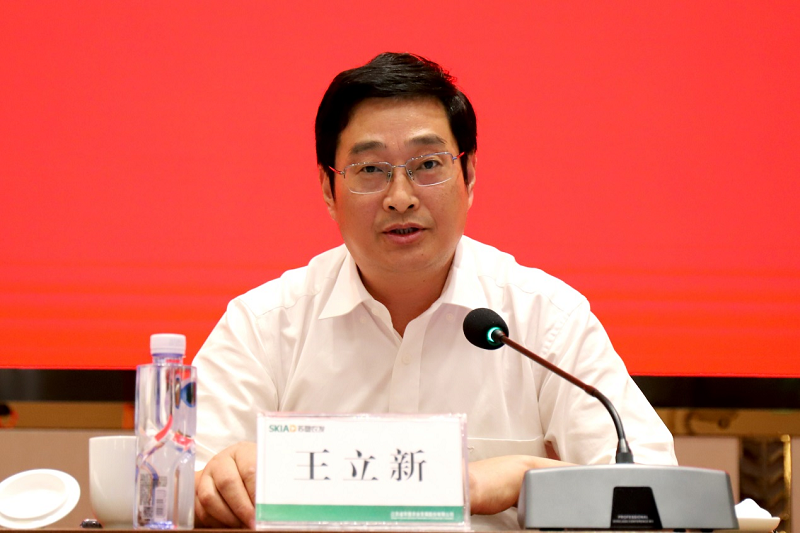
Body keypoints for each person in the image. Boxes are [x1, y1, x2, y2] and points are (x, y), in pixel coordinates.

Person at [192, 52, 677, 530]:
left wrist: (522, 478)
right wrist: (215, 485)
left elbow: (658, 498)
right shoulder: (263, 327)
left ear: (469, 176)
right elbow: (174, 487)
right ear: (327, 188)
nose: (400, 197)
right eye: (370, 170)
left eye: (427, 164)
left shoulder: (545, 321)